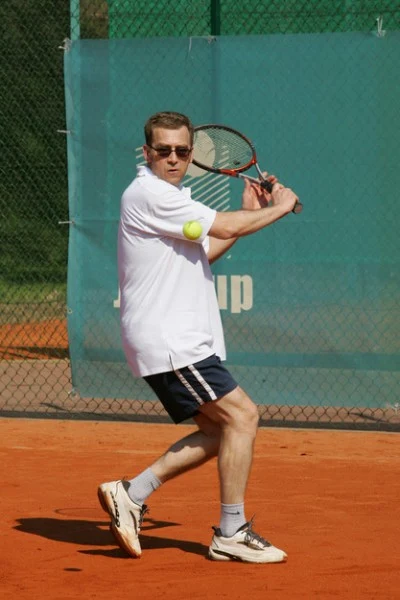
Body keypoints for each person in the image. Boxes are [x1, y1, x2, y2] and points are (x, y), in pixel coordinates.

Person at [98, 111, 298, 563]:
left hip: (175, 337)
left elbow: (206, 249)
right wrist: (279, 208)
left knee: (219, 431)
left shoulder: (169, 199)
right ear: (147, 152)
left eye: (181, 151)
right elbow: (223, 225)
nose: (173, 158)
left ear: (191, 154)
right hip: (171, 338)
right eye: (163, 150)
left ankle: (131, 493)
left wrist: (253, 214)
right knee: (243, 416)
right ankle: (231, 532)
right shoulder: (149, 193)